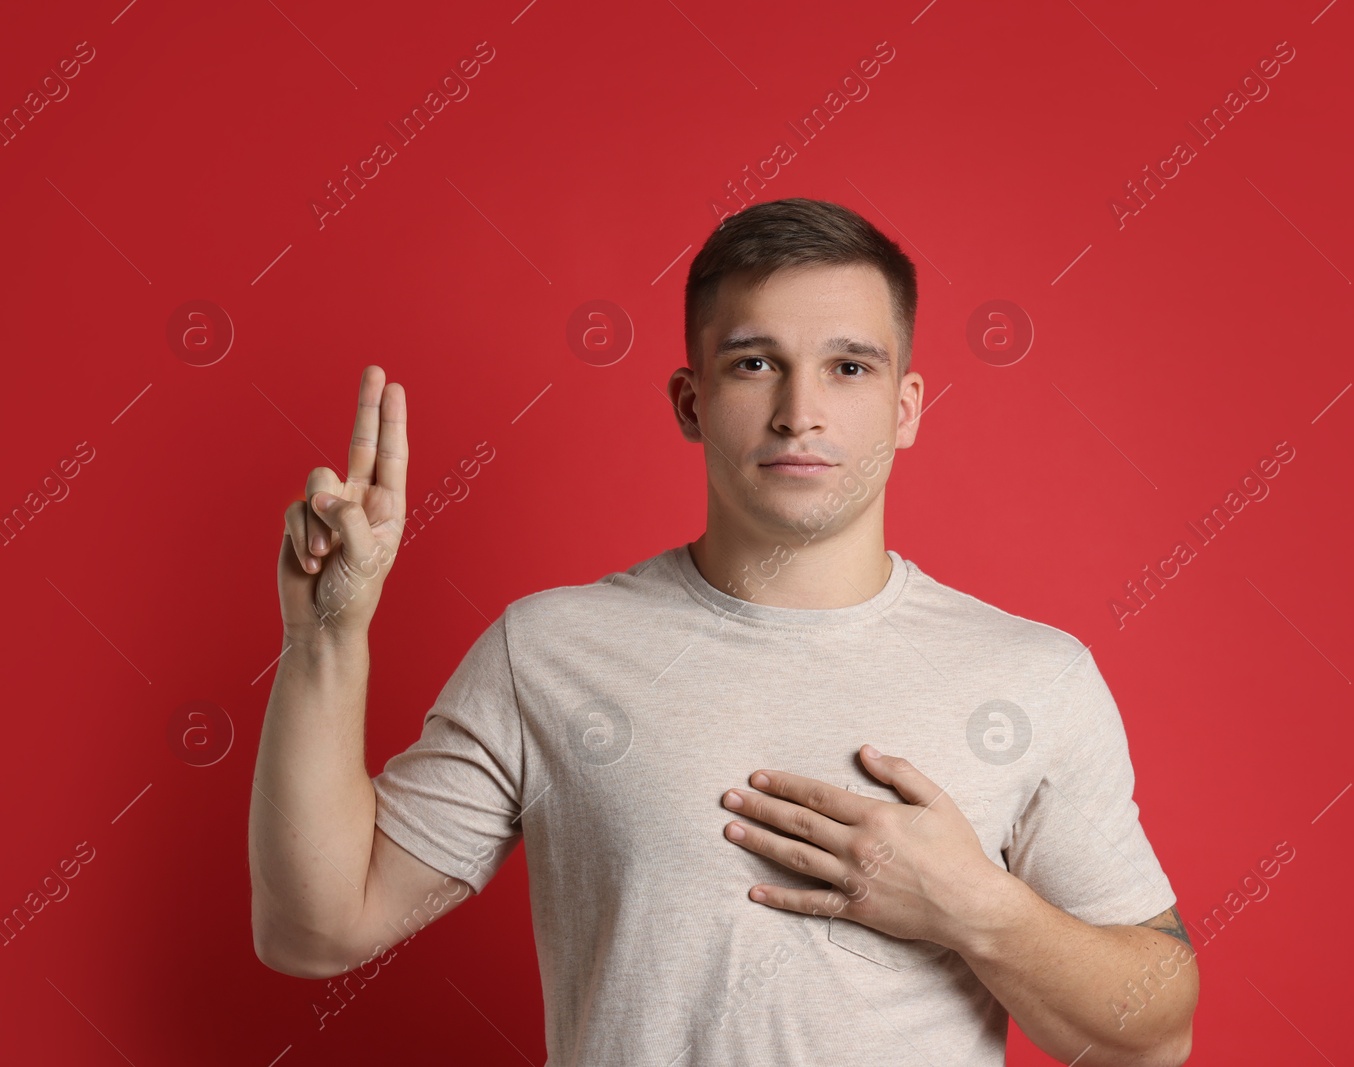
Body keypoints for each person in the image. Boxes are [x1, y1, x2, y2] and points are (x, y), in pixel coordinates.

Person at [249, 198, 1197, 1065]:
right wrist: (326, 635)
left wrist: (976, 909)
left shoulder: (1034, 675)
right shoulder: (545, 651)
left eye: (849, 366)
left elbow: (1156, 1033)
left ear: (905, 409)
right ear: (690, 401)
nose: (800, 412)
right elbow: (316, 929)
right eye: (755, 363)